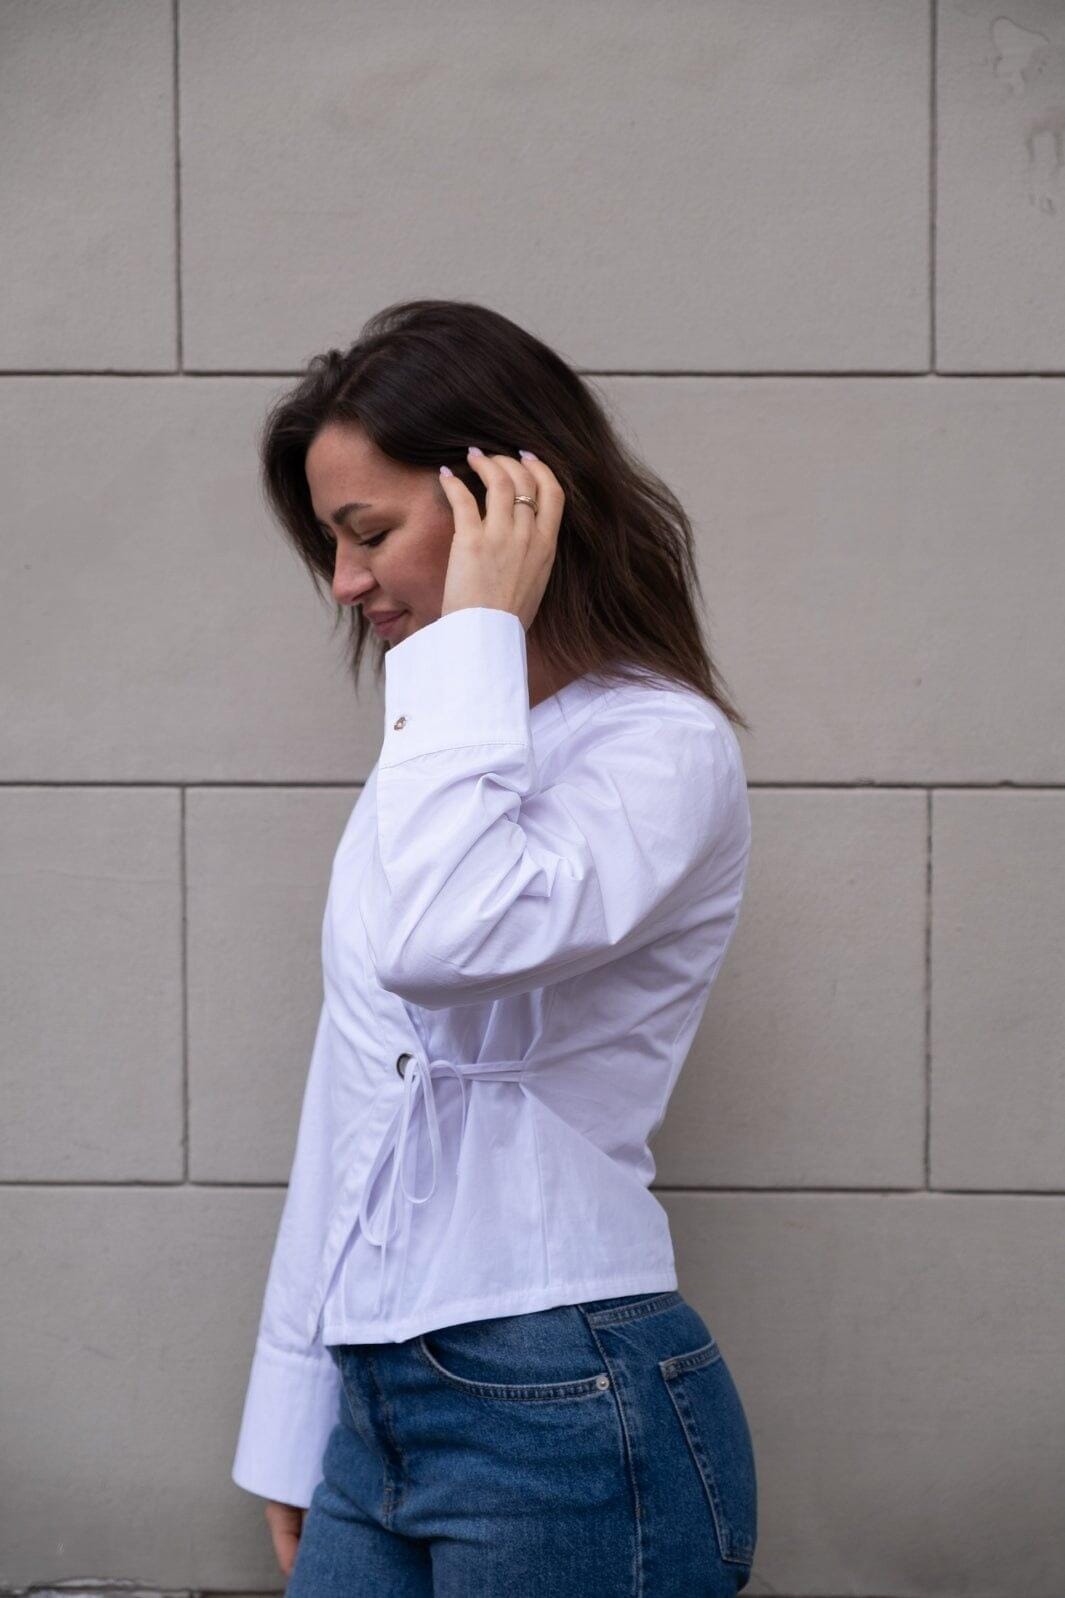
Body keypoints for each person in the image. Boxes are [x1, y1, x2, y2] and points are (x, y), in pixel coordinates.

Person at [231, 299, 758, 1596]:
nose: (345, 583)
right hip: (377, 1403)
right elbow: (352, 1087)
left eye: (367, 534)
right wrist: (293, 1416)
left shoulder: (660, 746)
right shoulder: (433, 764)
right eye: (331, 543)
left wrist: (475, 634)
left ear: (506, 501)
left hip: (564, 1391)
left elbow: (442, 941)